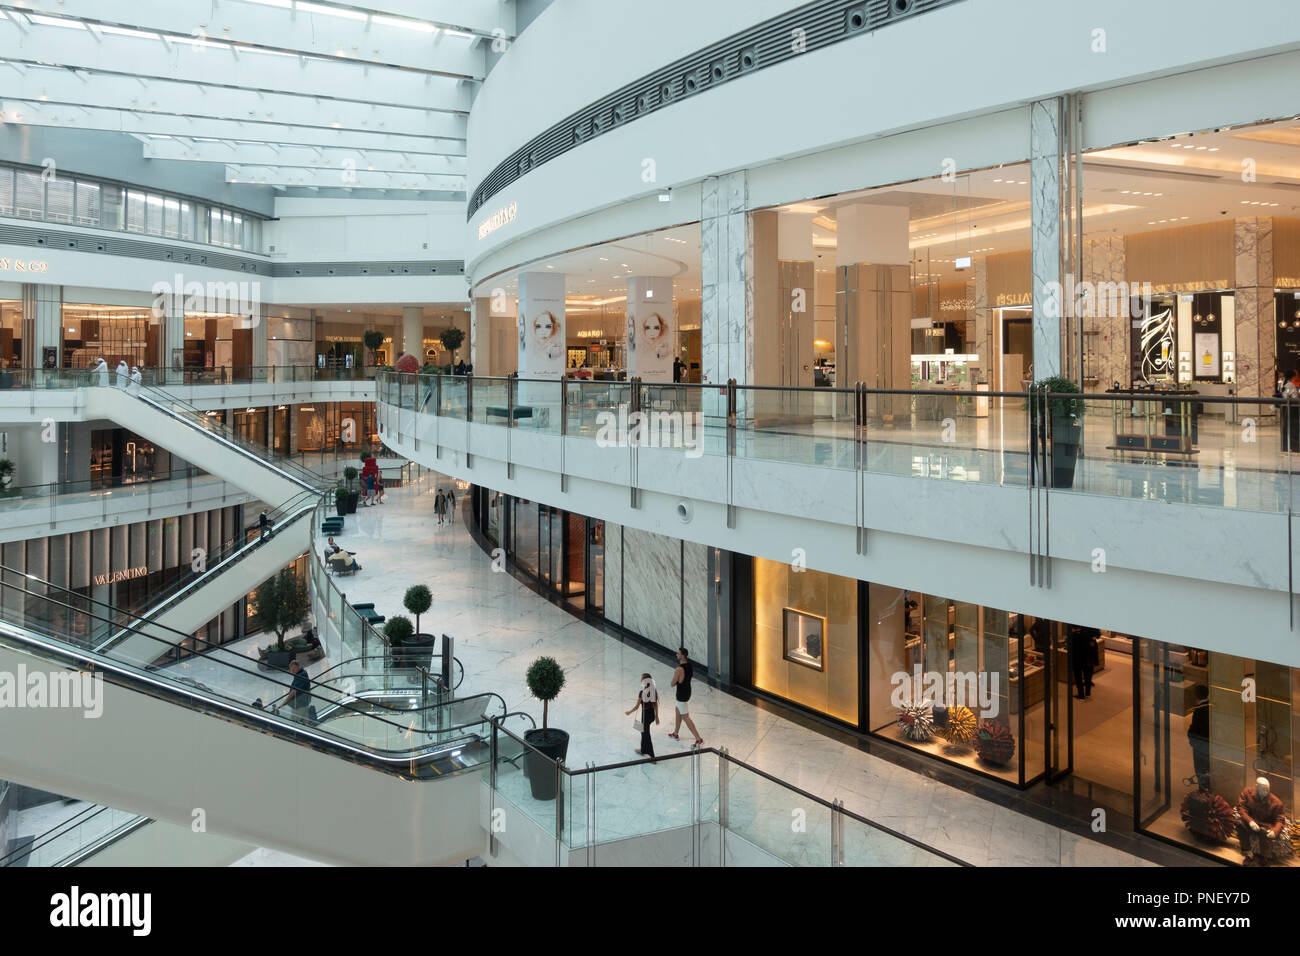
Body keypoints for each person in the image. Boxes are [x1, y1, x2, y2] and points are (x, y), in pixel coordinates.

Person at [1236, 776, 1287, 865]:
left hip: (1265, 824)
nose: (1265, 792)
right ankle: (1248, 852)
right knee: (1240, 824)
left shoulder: (1276, 802)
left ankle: (1264, 857)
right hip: (1251, 820)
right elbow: (1241, 807)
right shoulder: (1247, 792)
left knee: (1265, 834)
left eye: (1267, 789)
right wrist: (1250, 821)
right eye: (1263, 789)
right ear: (1257, 787)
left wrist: (1275, 831)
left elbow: (1280, 819)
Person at [667, 647, 703, 747]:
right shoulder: (690, 665)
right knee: (677, 710)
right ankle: (675, 733)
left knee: (685, 717)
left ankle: (698, 739)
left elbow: (673, 683)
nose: (676, 654)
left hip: (681, 694)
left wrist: (676, 679)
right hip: (687, 691)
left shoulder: (679, 669)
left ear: (682, 655)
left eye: (678, 653)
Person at [625, 672, 659, 758]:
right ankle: (643, 750)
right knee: (643, 732)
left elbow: (637, 707)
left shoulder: (642, 693)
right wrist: (657, 716)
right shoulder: (653, 691)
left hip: (645, 715)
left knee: (646, 734)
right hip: (651, 714)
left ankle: (652, 756)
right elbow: (655, 705)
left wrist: (629, 712)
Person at [1188, 683, 1210, 786]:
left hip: (1200, 745)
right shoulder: (1210, 707)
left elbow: (1195, 729)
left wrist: (1192, 739)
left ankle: (1203, 791)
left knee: (1200, 770)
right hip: (1208, 744)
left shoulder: (1199, 710)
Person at [1069, 624, 1097, 700]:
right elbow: (1091, 645)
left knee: (1078, 678)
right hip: (1086, 659)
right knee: (1087, 676)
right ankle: (1088, 693)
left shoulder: (1072, 636)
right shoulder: (1086, 635)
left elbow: (1069, 647)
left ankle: (1081, 695)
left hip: (1076, 660)